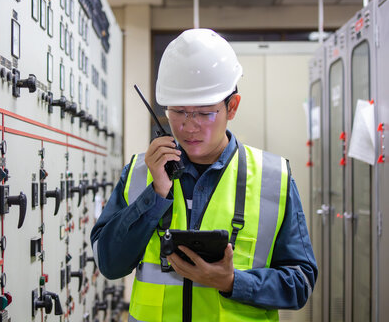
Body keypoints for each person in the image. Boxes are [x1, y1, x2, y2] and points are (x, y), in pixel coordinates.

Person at [90, 28, 317, 321]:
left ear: (231, 107)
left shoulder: (273, 178)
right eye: (178, 111)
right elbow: (109, 264)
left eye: (204, 112)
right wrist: (155, 194)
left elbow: (300, 283)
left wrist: (232, 282)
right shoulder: (139, 173)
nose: (189, 126)